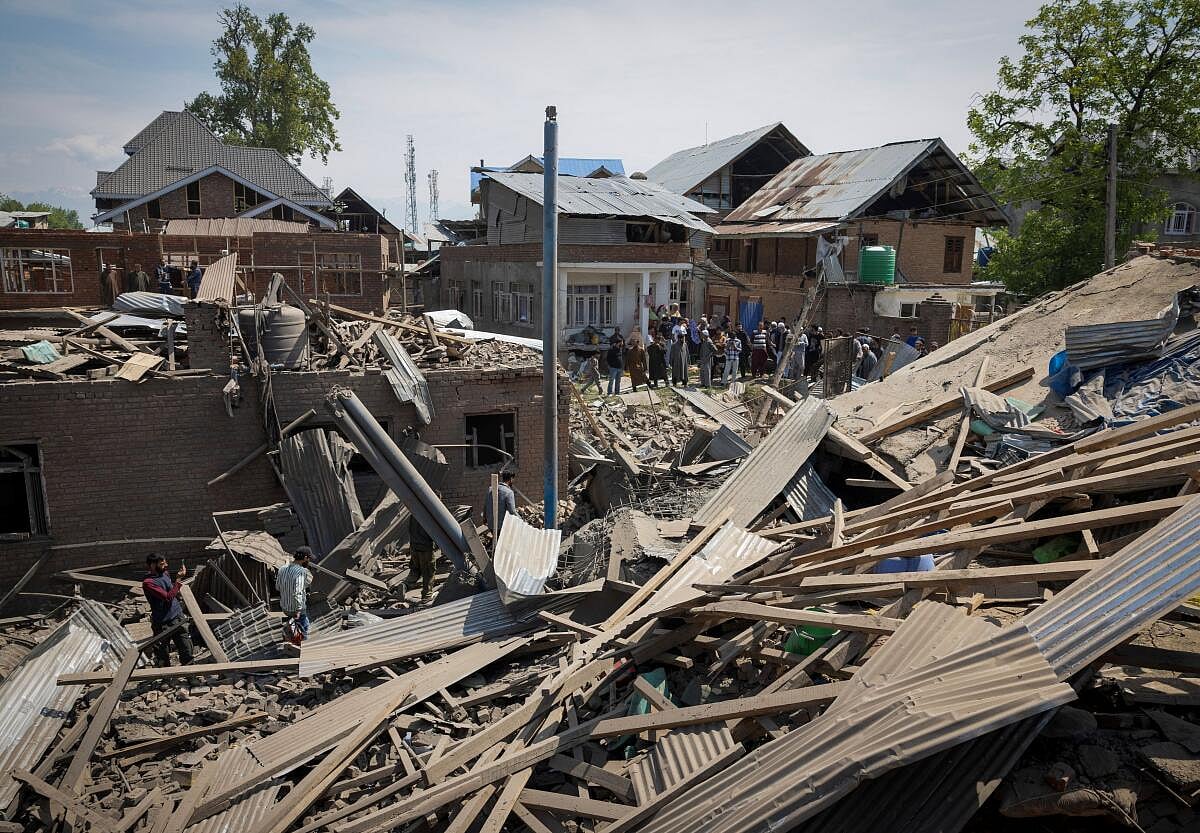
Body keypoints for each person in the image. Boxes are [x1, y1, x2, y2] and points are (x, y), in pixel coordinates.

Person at [142, 554, 193, 667]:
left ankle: (191, 676)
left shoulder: (165, 574)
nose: (166, 565)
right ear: (152, 565)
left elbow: (172, 591)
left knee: (186, 647)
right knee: (162, 652)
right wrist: (179, 579)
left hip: (177, 617)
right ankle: (166, 677)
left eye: (165, 562)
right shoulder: (149, 583)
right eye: (162, 564)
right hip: (162, 622)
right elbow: (168, 597)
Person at [276, 547, 314, 640]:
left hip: (285, 608)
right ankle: (302, 646)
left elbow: (277, 587)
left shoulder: (282, 569)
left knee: (296, 627)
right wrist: (298, 610)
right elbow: (298, 592)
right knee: (304, 628)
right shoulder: (301, 571)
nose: (309, 561)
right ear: (305, 558)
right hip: (295, 609)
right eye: (309, 558)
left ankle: (292, 636)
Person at [406, 515, 437, 602]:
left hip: (414, 547)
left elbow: (410, 529)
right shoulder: (428, 513)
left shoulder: (414, 513)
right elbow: (434, 531)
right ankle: (426, 596)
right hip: (426, 548)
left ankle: (405, 586)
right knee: (428, 572)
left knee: (415, 570)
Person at [484, 470, 518, 536]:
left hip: (490, 524)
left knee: (496, 540)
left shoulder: (490, 489)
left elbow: (486, 505)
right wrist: (521, 521)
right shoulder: (509, 492)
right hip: (501, 526)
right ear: (511, 479)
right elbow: (512, 511)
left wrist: (485, 518)